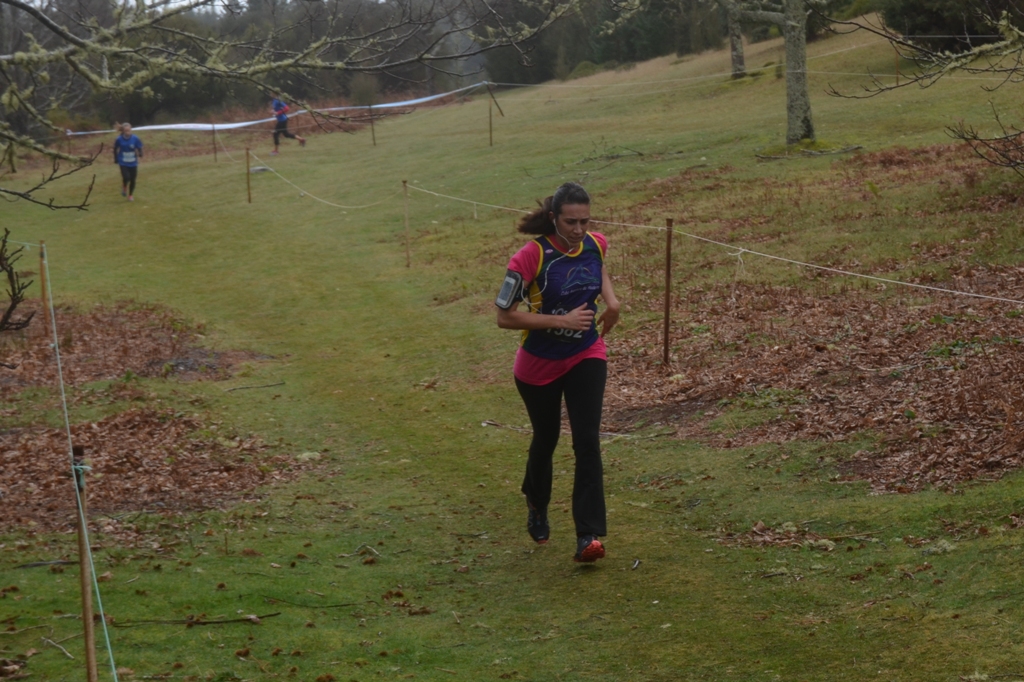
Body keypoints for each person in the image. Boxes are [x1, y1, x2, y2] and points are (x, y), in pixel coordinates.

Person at [495, 182, 620, 563]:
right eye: (570, 222)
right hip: (538, 364)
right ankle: (537, 501)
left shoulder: (596, 243)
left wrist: (612, 302)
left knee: (587, 440)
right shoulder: (530, 257)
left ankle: (588, 535)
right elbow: (504, 317)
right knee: (546, 438)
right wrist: (560, 320)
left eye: (585, 221)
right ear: (554, 218)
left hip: (585, 353)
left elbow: (598, 269)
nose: (579, 229)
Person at [113, 123, 143, 201]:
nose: (128, 132)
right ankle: (124, 186)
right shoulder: (119, 139)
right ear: (123, 131)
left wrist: (140, 153)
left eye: (129, 130)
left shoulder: (135, 138)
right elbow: (115, 148)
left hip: (133, 162)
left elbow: (139, 147)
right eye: (126, 131)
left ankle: (130, 195)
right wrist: (115, 158)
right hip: (123, 162)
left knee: (133, 179)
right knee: (126, 177)